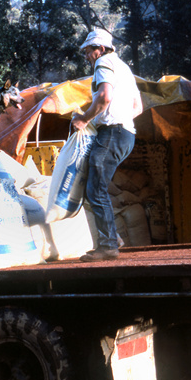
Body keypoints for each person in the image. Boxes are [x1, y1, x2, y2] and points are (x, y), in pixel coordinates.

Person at [72, 28, 143, 262]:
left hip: (112, 133)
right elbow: (138, 107)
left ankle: (108, 246)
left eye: (88, 50)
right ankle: (112, 238)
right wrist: (119, 118)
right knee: (97, 187)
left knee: (94, 188)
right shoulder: (124, 68)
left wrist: (84, 118)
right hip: (126, 134)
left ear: (100, 49)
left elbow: (104, 97)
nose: (86, 55)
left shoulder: (103, 63)